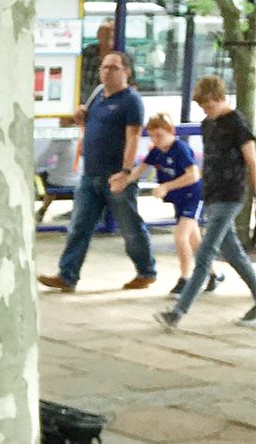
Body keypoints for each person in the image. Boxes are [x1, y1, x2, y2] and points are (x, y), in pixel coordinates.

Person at [38, 51, 157, 292]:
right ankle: (67, 275)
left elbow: (133, 136)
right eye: (104, 67)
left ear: (126, 72)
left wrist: (125, 171)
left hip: (115, 176)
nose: (106, 72)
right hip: (90, 173)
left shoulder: (130, 100)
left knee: (129, 226)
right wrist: (79, 116)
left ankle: (146, 270)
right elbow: (87, 123)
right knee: (79, 226)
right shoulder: (97, 96)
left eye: (113, 68)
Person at [156, 77, 256, 329]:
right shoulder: (207, 124)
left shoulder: (238, 123)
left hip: (230, 195)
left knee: (204, 253)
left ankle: (177, 313)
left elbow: (252, 159)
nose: (207, 111)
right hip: (212, 195)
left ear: (222, 98)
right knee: (234, 253)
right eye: (203, 108)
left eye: (210, 106)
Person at [114, 113, 207, 296]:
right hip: (179, 198)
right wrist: (123, 181)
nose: (156, 140)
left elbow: (194, 175)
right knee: (195, 241)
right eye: (153, 136)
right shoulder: (156, 150)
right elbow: (141, 168)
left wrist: (166, 186)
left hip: (193, 196)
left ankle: (185, 279)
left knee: (181, 237)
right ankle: (214, 274)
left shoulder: (180, 149)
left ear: (171, 132)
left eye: (160, 136)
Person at [77, 19, 115, 102]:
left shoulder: (124, 57)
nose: (110, 34)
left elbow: (132, 87)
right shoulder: (86, 53)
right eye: (105, 32)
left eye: (113, 31)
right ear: (98, 35)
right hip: (85, 106)